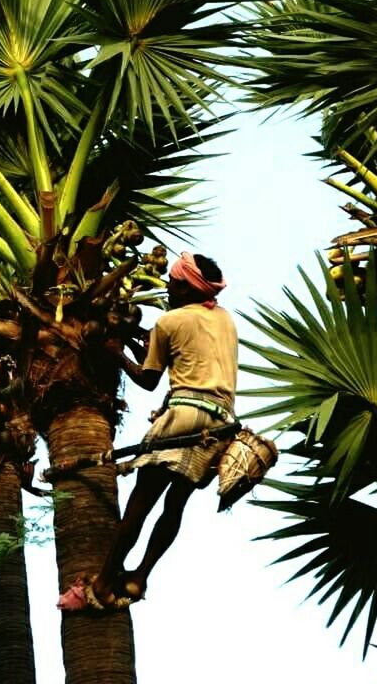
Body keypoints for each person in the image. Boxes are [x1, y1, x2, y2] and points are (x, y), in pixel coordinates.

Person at [59, 251, 238, 611]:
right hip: (219, 422)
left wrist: (114, 351)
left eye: (173, 282)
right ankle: (140, 575)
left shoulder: (169, 322)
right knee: (175, 507)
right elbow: (193, 354)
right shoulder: (225, 320)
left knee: (139, 506)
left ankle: (104, 582)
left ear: (188, 288)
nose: (167, 286)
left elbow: (147, 379)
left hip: (183, 418)